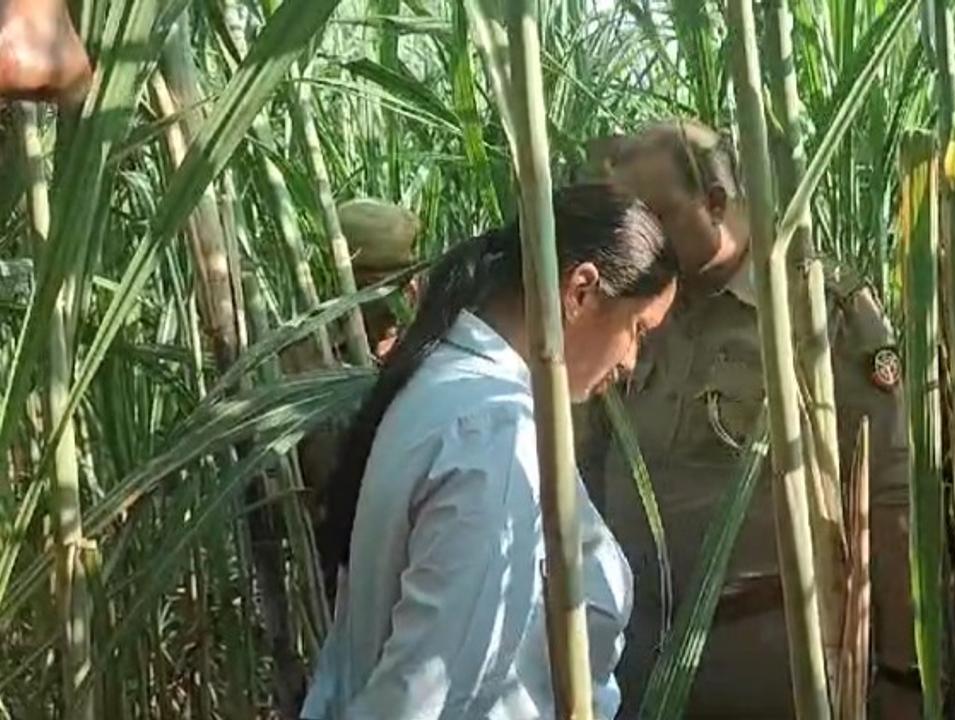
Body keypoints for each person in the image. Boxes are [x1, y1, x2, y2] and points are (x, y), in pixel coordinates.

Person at [575, 120, 918, 719]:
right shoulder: (628, 308)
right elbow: (584, 466)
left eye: (656, 219)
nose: (637, 241)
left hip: (766, 660)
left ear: (714, 203)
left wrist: (902, 671)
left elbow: (890, 498)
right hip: (632, 654)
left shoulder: (818, 313)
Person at [301, 182, 679, 720]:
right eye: (637, 330)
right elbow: (430, 695)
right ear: (581, 291)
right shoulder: (495, 430)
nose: (631, 363)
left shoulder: (448, 385)